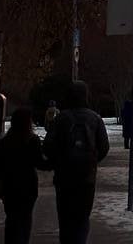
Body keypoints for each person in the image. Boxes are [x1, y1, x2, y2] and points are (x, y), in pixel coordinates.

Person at [43, 80, 109, 244]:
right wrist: (92, 161)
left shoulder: (61, 118)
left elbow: (48, 146)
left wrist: (57, 161)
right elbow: (104, 147)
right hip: (86, 178)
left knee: (65, 218)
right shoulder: (95, 119)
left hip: (64, 177)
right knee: (82, 217)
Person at [0, 107, 49, 244]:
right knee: (25, 220)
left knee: (12, 220)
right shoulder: (32, 141)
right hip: (28, 187)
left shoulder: (4, 142)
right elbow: (40, 163)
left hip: (9, 187)